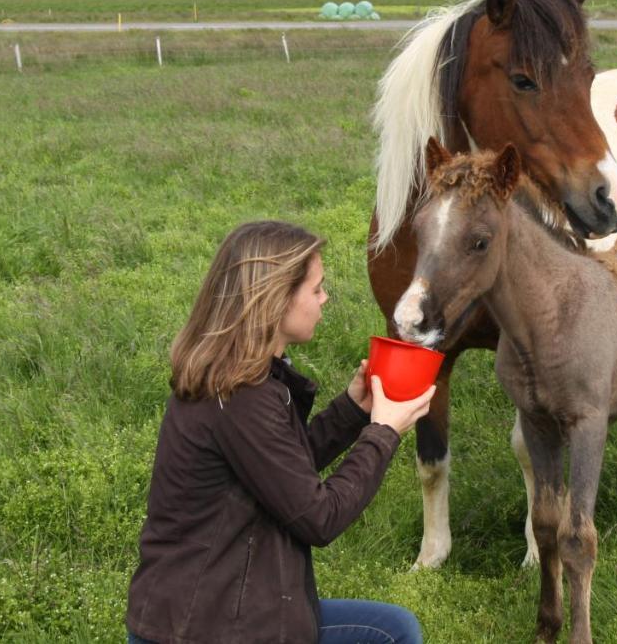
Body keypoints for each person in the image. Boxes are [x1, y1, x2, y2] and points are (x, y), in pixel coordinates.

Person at [126, 221, 435, 644]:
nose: (325, 298)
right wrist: (383, 431)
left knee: (392, 630)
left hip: (233, 609)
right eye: (316, 288)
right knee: (390, 635)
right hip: (206, 628)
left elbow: (279, 468)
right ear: (276, 299)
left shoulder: (241, 377)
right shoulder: (238, 395)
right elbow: (319, 517)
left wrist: (351, 411)